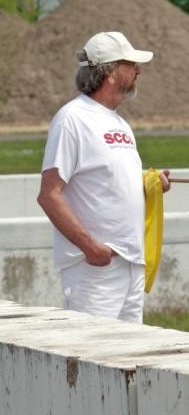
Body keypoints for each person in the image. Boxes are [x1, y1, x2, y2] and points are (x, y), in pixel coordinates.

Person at [37, 31, 170, 323]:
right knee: (90, 358)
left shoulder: (119, 123)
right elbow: (49, 195)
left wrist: (148, 183)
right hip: (95, 268)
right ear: (109, 71)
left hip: (130, 263)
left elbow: (109, 181)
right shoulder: (72, 119)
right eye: (130, 64)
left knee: (129, 359)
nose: (138, 70)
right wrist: (91, 247)